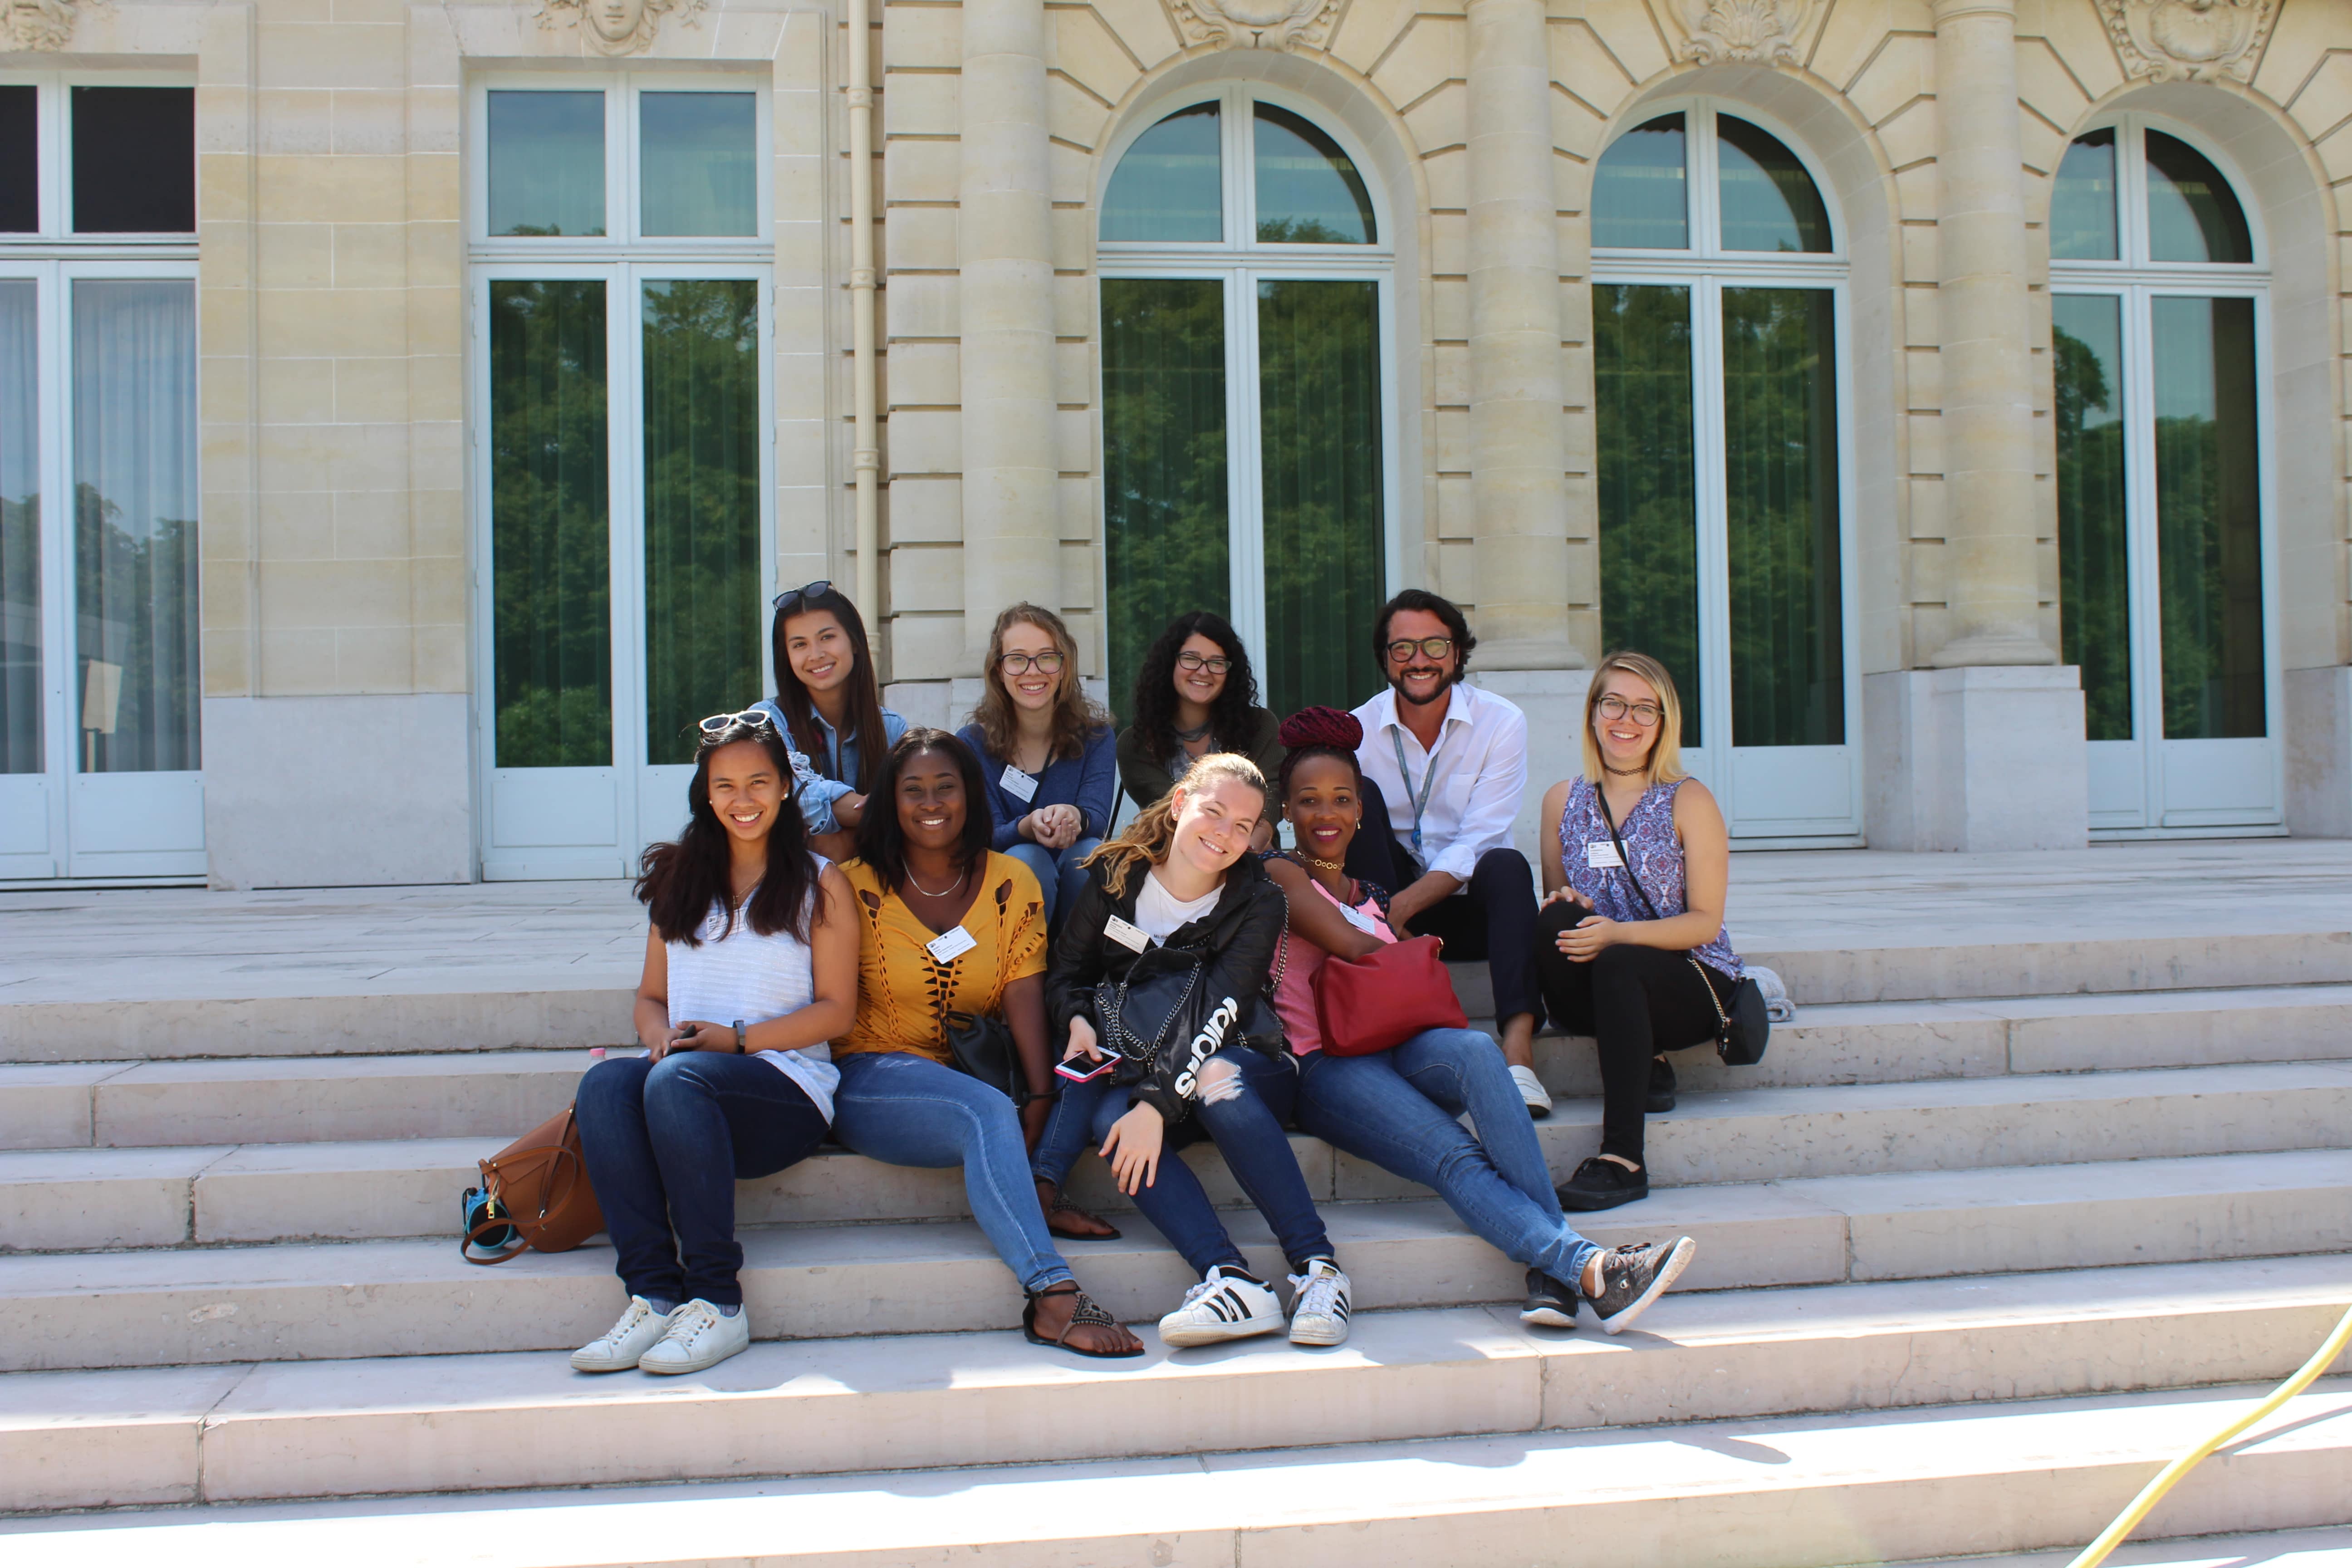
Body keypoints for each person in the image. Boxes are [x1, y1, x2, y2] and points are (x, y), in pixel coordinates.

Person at [1264, 707, 1696, 1333]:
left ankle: (1552, 1277)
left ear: (1361, 811)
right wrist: (1417, 949)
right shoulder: (1281, 874)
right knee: (1453, 1151)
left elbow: (1390, 967)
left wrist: (1410, 943)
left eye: (1341, 799)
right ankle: (1590, 1268)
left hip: (1393, 1043)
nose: (1325, 814)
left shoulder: (1370, 894)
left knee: (1475, 1051)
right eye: (1308, 801)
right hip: (1328, 1067)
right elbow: (1357, 950)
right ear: (1286, 810)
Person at [828, 728, 1143, 1357]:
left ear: (971, 795)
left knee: (1076, 1066)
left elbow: (1024, 994)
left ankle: (1036, 1188)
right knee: (985, 1111)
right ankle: (1052, 1294)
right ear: (891, 800)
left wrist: (1040, 1096)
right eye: (913, 790)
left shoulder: (1010, 880)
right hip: (875, 1075)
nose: (931, 803)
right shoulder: (852, 885)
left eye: (946, 787)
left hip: (980, 1072)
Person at [571, 710, 858, 1376]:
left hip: (784, 1091)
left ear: (785, 786)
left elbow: (837, 1012)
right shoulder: (680, 882)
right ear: (705, 793)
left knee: (679, 1080)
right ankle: (653, 1296)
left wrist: (737, 1040)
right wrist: (657, 1036)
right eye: (725, 785)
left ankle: (718, 1302)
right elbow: (650, 998)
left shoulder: (821, 882)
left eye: (758, 782)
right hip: (686, 1084)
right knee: (606, 1084)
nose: (742, 799)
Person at [1036, 753, 1354, 1349]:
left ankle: (1319, 1268)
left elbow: (1219, 1010)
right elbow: (1068, 974)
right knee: (1109, 1120)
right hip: (1150, 1065)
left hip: (1243, 1058)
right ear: (1181, 803)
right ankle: (1230, 1279)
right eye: (1215, 812)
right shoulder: (1115, 875)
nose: (1225, 834)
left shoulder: (1258, 900)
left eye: (1244, 826)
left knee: (1214, 1077)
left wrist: (1154, 1105)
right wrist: (1077, 1020)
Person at [1534, 650, 1747, 1212]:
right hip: (1600, 988)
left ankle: (1624, 1160)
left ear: (1663, 722)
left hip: (1689, 981)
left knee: (1620, 959)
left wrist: (1617, 936)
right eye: (1614, 704)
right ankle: (1642, 1055)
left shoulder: (1689, 799)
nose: (1626, 721)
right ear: (1593, 711)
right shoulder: (1562, 800)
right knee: (1553, 918)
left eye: (1644, 709)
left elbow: (1705, 922)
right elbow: (1560, 903)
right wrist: (1572, 905)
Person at [1345, 589, 1550, 1119]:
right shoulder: (1358, 730)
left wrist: (1399, 909)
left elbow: (1479, 839)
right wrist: (1383, 913)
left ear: (1458, 653)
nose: (1419, 660)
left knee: (1506, 865)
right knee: (1355, 797)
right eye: (1403, 648)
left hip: (1465, 912)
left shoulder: (1500, 721)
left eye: (1434, 645)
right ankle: (1400, 1026)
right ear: (1385, 658)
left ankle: (1519, 1055)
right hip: (1390, 914)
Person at [958, 603, 1117, 930]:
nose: (1033, 671)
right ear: (999, 670)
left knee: (1090, 853)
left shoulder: (1097, 737)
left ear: (1064, 667)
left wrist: (1074, 816)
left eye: (1046, 657)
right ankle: (1025, 961)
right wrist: (1026, 827)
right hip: (1002, 893)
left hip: (1077, 882)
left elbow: (1097, 819)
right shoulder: (971, 743)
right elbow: (983, 834)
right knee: (1028, 859)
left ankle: (1079, 961)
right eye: (1018, 659)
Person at [753, 580, 907, 865]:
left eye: (827, 637)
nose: (816, 655)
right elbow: (793, 795)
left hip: (876, 876)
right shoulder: (766, 720)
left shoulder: (892, 727)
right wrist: (879, 810)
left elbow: (912, 801)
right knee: (831, 844)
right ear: (787, 657)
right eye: (800, 644)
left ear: (855, 642)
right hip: (789, 877)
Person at [1115, 611, 1283, 841]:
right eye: (1191, 659)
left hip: (1253, 852)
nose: (1203, 671)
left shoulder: (1260, 726)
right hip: (1176, 857)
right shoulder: (1137, 743)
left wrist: (1249, 848)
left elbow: (1272, 794)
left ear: (1230, 672)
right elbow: (1171, 812)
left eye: (1217, 663)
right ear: (1170, 664)